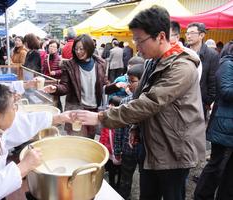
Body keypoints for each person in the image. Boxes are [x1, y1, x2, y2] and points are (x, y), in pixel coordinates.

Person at [74, 6, 206, 200]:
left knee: (172, 195)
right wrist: (135, 126)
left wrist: (101, 117)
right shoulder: (152, 61)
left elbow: (149, 103)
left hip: (174, 148)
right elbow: (138, 96)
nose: (136, 45)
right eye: (134, 39)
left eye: (139, 39)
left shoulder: (182, 66)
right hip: (152, 143)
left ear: (161, 36)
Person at [43, 34, 107, 139]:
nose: (78, 52)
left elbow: (104, 85)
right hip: (77, 108)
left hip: (94, 109)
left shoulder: (100, 64)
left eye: (82, 49)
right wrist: (55, 88)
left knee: (90, 139)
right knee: (76, 138)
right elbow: (65, 86)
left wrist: (116, 86)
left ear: (89, 48)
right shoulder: (69, 65)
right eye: (76, 49)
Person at [194, 41, 233, 200]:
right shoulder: (227, 64)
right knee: (217, 166)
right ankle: (202, 195)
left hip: (228, 125)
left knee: (229, 170)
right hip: (224, 126)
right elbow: (226, 91)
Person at [114, 64, 144, 200]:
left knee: (146, 180)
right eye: (128, 80)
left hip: (145, 151)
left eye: (132, 81)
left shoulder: (150, 102)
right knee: (125, 178)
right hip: (128, 150)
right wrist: (117, 149)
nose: (129, 84)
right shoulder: (125, 101)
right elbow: (119, 128)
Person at [186, 22, 219, 121]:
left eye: (192, 33)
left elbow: (213, 82)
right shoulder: (182, 52)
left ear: (201, 35)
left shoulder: (212, 55)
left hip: (200, 102)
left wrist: (207, 102)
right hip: (182, 101)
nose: (188, 36)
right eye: (187, 33)